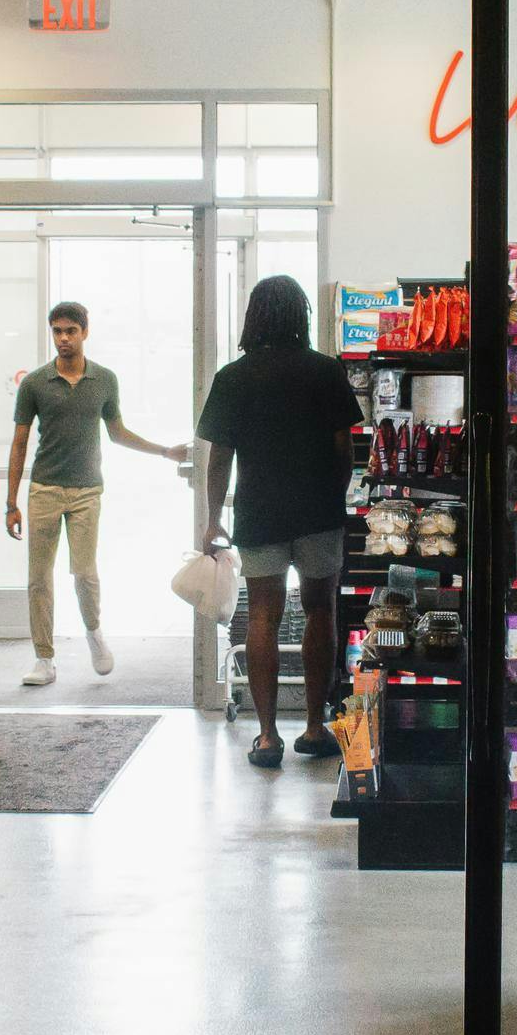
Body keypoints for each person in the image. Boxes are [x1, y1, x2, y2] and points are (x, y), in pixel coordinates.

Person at [196, 275, 361, 768]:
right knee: (320, 610)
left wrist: (211, 519)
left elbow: (219, 456)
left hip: (259, 511)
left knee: (263, 614)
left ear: (254, 317)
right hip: (318, 511)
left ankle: (267, 737)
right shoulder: (326, 371)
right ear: (300, 317)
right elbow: (344, 451)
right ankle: (314, 727)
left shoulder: (233, 377)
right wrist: (332, 497)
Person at [6, 300, 189, 687]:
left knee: (84, 573)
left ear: (85, 332)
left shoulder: (104, 379)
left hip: (87, 490)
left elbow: (117, 432)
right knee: (39, 577)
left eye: (71, 331)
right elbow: (19, 442)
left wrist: (163, 451)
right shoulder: (35, 383)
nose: (63, 338)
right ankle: (44, 657)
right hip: (44, 489)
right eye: (57, 331)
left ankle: (94, 633)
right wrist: (11, 502)